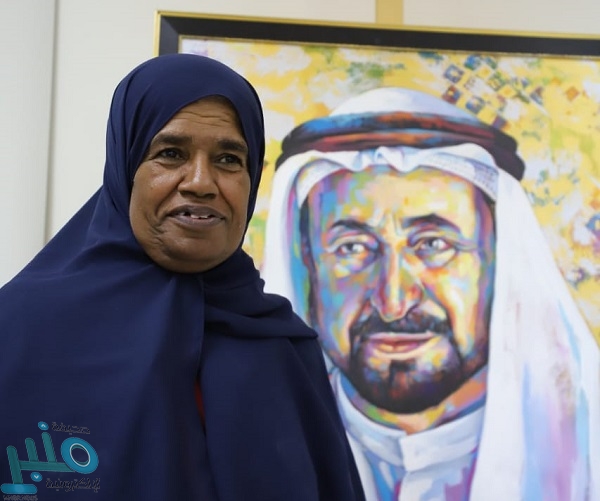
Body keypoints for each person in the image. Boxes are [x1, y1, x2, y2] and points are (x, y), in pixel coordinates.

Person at [0, 54, 366, 501]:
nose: (200, 182)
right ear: (125, 167)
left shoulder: (284, 348)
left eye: (228, 159)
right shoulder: (22, 330)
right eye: (171, 154)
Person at [262, 87, 600, 500]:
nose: (394, 301)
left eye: (434, 245)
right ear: (308, 267)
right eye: (352, 248)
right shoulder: (253, 439)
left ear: (501, 261)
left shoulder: (588, 447)